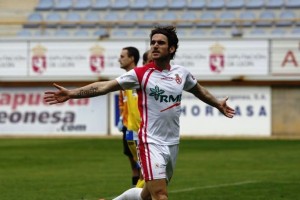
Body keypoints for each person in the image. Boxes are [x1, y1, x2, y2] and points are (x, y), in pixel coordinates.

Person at [44, 26, 235, 200]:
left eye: (161, 43)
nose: (155, 46)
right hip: (149, 141)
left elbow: (199, 90)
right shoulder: (141, 74)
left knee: (147, 194)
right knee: (160, 195)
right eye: (153, 42)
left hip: (172, 142)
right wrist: (71, 93)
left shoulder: (181, 73)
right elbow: (104, 86)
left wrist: (218, 104)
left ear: (172, 49)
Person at [117, 46, 144, 188]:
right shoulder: (122, 81)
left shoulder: (138, 78)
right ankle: (135, 191)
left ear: (132, 58)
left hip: (138, 128)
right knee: (133, 162)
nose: (119, 59)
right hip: (127, 128)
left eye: (122, 56)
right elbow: (122, 102)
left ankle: (141, 193)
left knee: (142, 165)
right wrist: (122, 118)